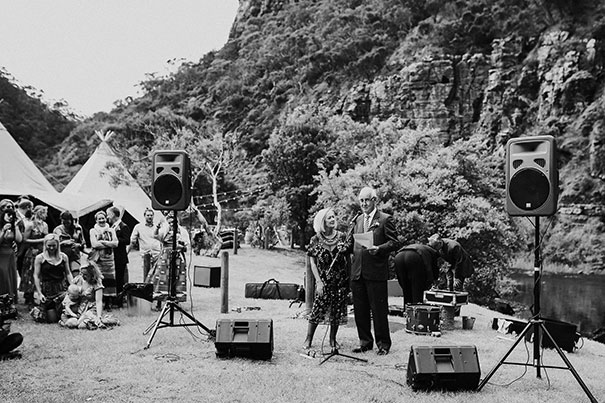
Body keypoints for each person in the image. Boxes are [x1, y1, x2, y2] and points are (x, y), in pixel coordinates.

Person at [349, 187, 399, 356]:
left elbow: (394, 242)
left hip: (376, 272)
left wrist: (379, 249)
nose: (364, 204)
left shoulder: (385, 219)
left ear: (374, 200)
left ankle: (383, 344)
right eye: (361, 200)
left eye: (367, 200)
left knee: (378, 310)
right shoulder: (357, 220)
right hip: (357, 271)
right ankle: (365, 342)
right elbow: (352, 244)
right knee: (360, 310)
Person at [303, 207, 350, 351]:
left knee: (336, 311)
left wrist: (344, 250)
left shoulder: (342, 237)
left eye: (333, 217)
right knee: (317, 309)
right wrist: (318, 282)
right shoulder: (315, 239)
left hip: (340, 280)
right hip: (323, 281)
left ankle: (332, 339)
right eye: (329, 217)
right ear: (322, 221)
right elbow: (312, 262)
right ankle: (308, 339)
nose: (332, 219)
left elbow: (348, 257)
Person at [146, 212, 190, 303]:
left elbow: (186, 246)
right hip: (165, 257)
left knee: (176, 276)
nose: (171, 224)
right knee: (162, 276)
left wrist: (181, 247)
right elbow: (156, 236)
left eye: (173, 222)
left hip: (177, 256)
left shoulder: (182, 232)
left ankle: (176, 300)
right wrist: (157, 227)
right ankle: (160, 299)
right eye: (169, 222)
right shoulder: (165, 231)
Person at [33, 234, 73, 322]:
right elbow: (36, 276)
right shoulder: (40, 258)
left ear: (58, 245)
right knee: (52, 319)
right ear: (45, 245)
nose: (51, 248)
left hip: (61, 288)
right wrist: (39, 293)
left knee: (64, 313)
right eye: (49, 245)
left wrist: (72, 285)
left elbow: (68, 273)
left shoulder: (63, 257)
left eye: (54, 245)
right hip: (48, 289)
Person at [68, 263, 119, 329]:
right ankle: (94, 322)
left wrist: (99, 316)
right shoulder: (78, 279)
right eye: (81, 273)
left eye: (85, 274)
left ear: (92, 274)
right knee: (71, 323)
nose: (83, 276)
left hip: (91, 309)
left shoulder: (96, 283)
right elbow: (71, 291)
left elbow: (99, 301)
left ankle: (104, 321)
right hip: (80, 307)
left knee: (81, 326)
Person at [19, 205, 49, 307]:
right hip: (32, 251)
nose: (46, 215)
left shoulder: (45, 225)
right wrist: (40, 240)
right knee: (30, 273)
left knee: (40, 273)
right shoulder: (30, 225)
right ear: (40, 213)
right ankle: (29, 296)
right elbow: (25, 239)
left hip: (42, 251)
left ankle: (39, 294)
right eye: (45, 213)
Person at [89, 211, 118, 308]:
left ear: (106, 218)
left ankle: (109, 301)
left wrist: (102, 242)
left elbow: (116, 243)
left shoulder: (111, 230)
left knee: (109, 279)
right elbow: (94, 244)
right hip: (98, 259)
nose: (102, 220)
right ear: (96, 220)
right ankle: (99, 300)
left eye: (103, 218)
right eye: (99, 219)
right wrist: (109, 244)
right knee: (99, 278)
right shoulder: (93, 231)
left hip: (109, 259)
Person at [106, 206, 131, 305]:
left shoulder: (123, 226)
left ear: (113, 215)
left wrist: (114, 240)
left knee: (120, 279)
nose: (107, 217)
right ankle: (112, 298)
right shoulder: (111, 227)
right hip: (111, 257)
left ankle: (119, 300)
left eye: (108, 214)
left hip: (120, 257)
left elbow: (127, 240)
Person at [128, 208, 161, 279]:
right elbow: (133, 240)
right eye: (148, 215)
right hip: (146, 254)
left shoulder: (157, 227)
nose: (150, 217)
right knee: (147, 274)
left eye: (151, 215)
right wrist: (128, 251)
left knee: (157, 274)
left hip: (157, 253)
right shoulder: (138, 227)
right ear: (144, 216)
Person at [0, 200, 22, 301]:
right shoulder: (1, 226)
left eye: (12, 215)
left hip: (10, 253)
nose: (10, 217)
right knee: (3, 274)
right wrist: (3, 230)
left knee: (10, 274)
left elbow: (19, 240)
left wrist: (16, 226)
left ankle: (10, 297)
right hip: (1, 253)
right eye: (8, 214)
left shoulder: (13, 226)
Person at [53, 211, 85, 276]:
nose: (66, 224)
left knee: (76, 273)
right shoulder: (57, 230)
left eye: (68, 222)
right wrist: (64, 242)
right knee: (64, 275)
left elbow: (83, 243)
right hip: (62, 256)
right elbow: (53, 244)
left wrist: (79, 245)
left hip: (75, 255)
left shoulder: (77, 228)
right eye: (63, 222)